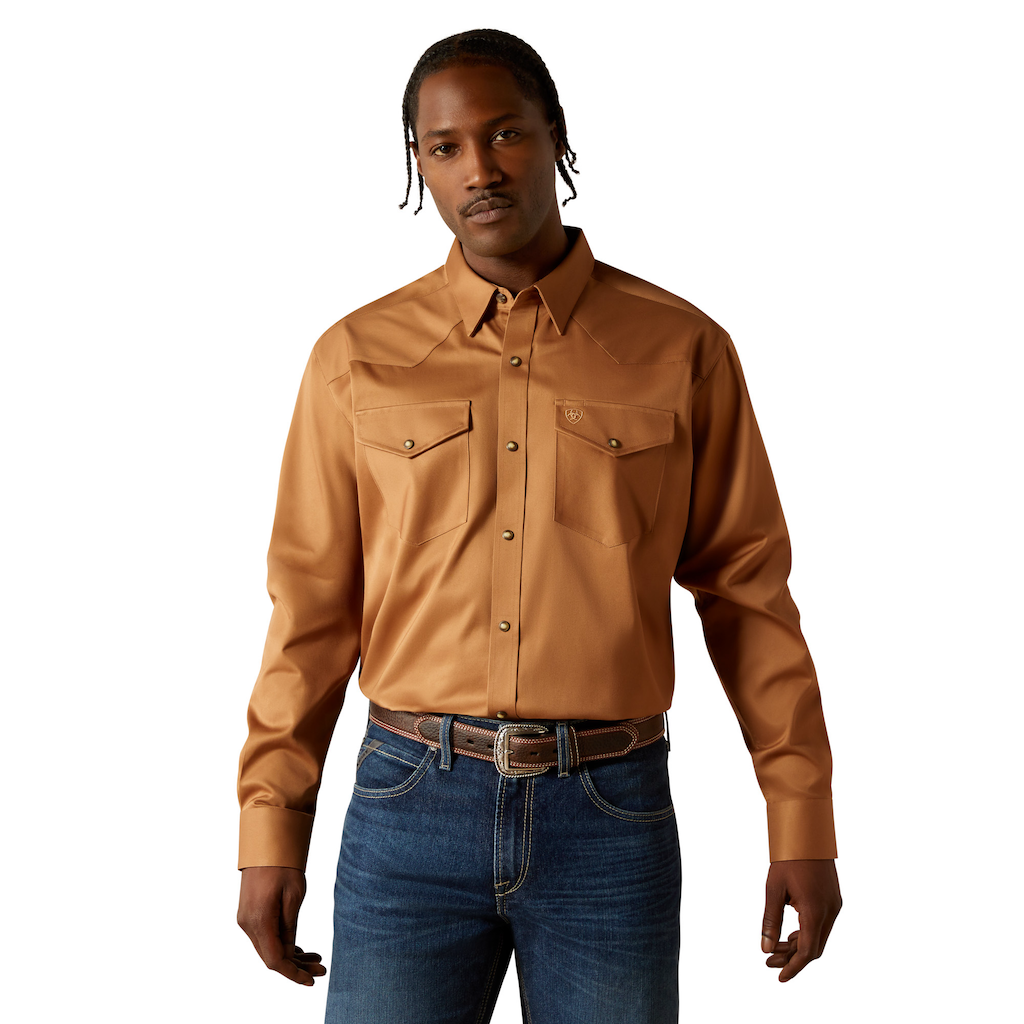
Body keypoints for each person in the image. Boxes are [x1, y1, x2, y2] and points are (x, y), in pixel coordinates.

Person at [236, 27, 841, 1023]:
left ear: (556, 136)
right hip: (407, 808)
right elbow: (310, 610)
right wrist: (270, 826)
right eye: (444, 147)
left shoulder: (682, 348)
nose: (479, 168)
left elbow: (747, 594)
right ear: (419, 165)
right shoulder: (354, 357)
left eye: (505, 133)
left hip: (609, 817)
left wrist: (801, 820)